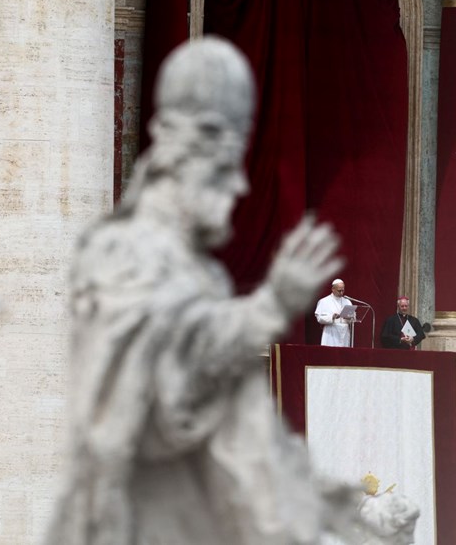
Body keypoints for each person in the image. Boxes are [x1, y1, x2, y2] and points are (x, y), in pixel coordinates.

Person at [47, 37, 382, 544]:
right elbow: (159, 395)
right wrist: (270, 306)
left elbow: (241, 422)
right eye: (225, 171)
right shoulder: (122, 252)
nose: (240, 190)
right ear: (183, 162)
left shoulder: (208, 278)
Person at [315, 278, 355, 347]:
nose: (342, 293)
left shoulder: (347, 301)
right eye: (339, 291)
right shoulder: (324, 301)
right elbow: (319, 318)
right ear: (333, 289)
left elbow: (353, 318)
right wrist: (332, 317)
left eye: (343, 290)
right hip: (331, 333)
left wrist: (350, 317)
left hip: (344, 333)